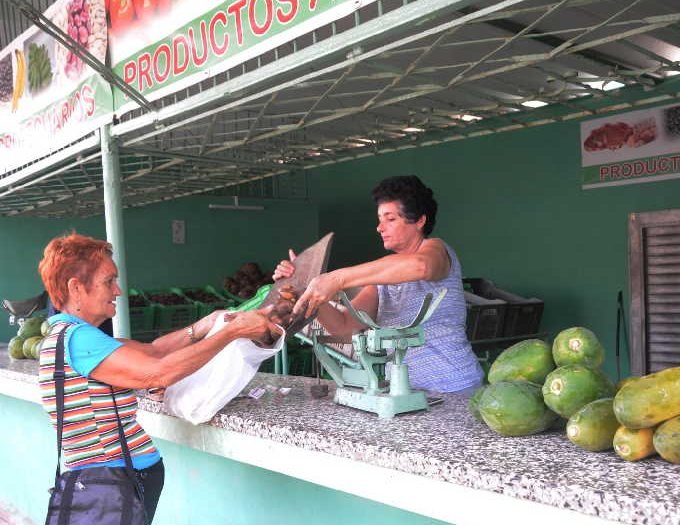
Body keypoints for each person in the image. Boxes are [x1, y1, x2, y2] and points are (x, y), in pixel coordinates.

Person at [37, 232, 280, 523]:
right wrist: (232, 333)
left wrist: (207, 325)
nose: (118, 291)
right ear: (76, 288)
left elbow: (153, 351)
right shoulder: (79, 340)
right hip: (110, 487)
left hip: (111, 485)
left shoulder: (70, 335)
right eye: (108, 281)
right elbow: (159, 372)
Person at [274, 175, 483, 393]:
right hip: (402, 392)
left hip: (454, 388)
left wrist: (336, 279)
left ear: (420, 220)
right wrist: (306, 288)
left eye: (390, 219)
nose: (379, 228)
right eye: (380, 219)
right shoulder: (384, 279)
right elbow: (346, 326)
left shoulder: (437, 251)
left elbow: (421, 267)